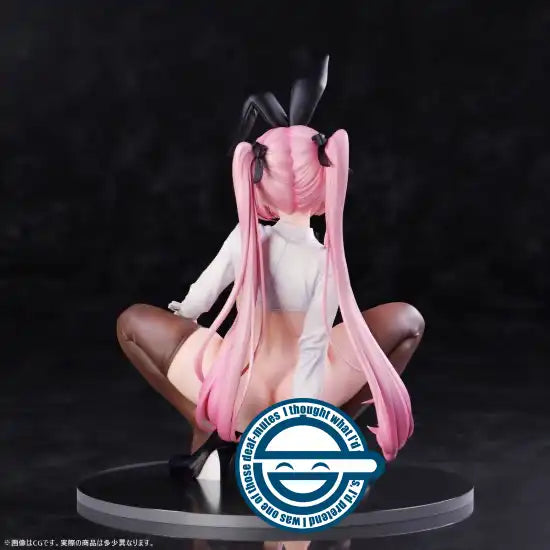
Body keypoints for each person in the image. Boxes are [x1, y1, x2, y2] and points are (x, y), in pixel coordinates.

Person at [116, 56, 425, 480]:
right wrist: (305, 414)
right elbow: (315, 342)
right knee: (407, 321)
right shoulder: (325, 258)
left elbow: (202, 296)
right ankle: (324, 432)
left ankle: (213, 435)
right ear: (329, 181)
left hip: (237, 390)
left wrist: (185, 314)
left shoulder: (246, 238)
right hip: (304, 393)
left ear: (257, 178)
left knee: (132, 323)